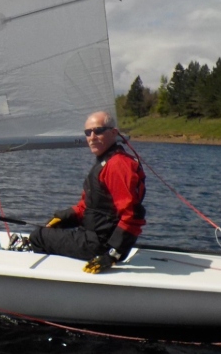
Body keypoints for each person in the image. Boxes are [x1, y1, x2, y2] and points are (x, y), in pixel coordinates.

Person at [28, 111, 146, 273]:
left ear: (113, 133)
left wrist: (113, 255)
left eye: (98, 131)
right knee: (50, 230)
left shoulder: (117, 165)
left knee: (38, 236)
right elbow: (89, 206)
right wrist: (65, 217)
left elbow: (133, 214)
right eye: (87, 132)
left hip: (99, 245)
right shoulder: (108, 161)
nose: (92, 137)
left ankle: (47, 283)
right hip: (93, 236)